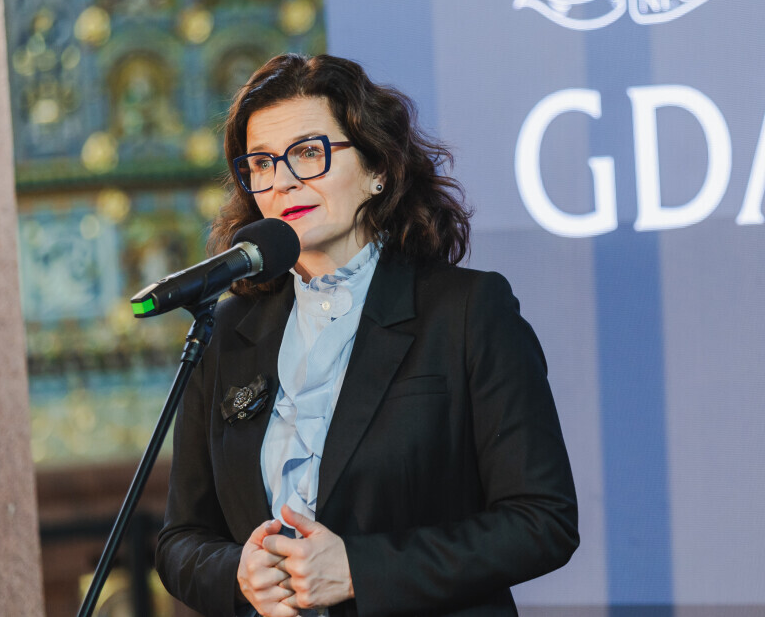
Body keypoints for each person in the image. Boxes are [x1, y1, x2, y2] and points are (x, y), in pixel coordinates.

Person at [155, 54, 578, 617]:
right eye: (261, 163)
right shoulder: (227, 330)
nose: (282, 181)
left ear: (378, 167)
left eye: (309, 152)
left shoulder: (467, 312)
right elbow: (181, 538)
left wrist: (360, 570)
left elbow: (542, 520)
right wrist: (237, 573)